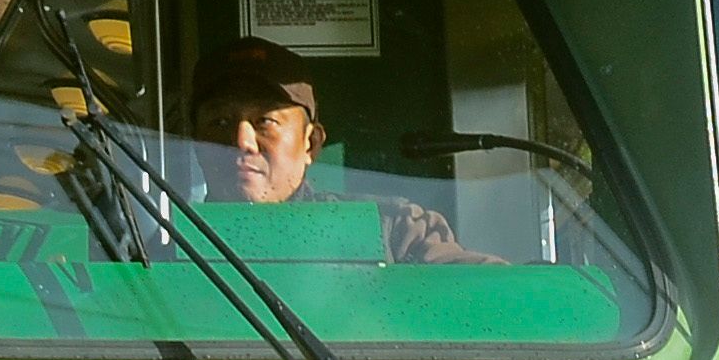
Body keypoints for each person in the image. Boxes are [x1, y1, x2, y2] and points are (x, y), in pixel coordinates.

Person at [182, 40, 491, 264]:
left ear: (311, 144)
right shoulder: (161, 246)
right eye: (219, 121)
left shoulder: (395, 233)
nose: (242, 141)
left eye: (265, 121)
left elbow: (487, 297)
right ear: (194, 142)